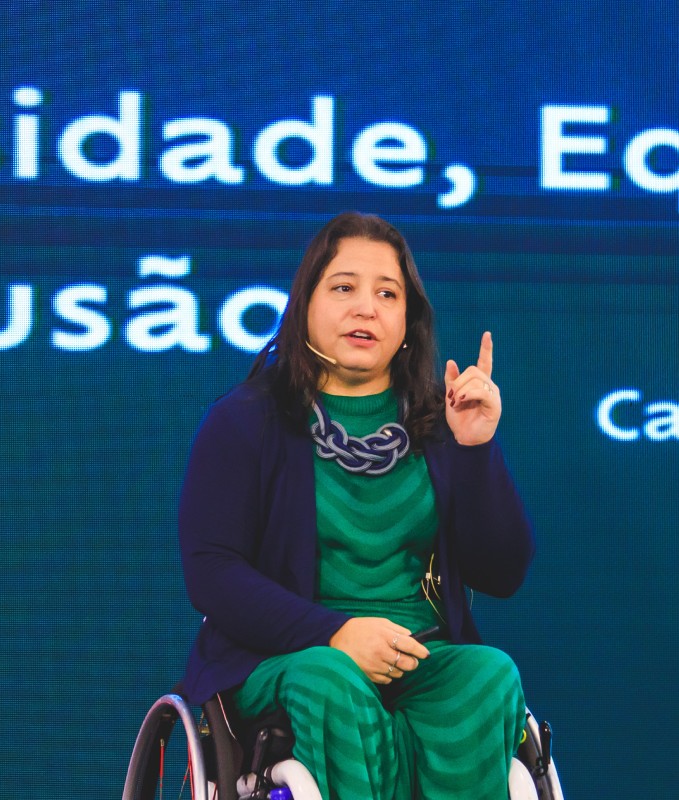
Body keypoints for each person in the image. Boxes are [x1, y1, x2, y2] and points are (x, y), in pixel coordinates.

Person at [178, 211, 535, 799]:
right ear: (305, 305)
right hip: (291, 658)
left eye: (387, 294)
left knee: (489, 673)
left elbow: (503, 572)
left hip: (420, 653)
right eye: (343, 287)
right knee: (330, 681)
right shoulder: (244, 421)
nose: (366, 307)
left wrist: (477, 450)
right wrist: (336, 632)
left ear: (407, 322)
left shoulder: (440, 427)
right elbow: (212, 574)